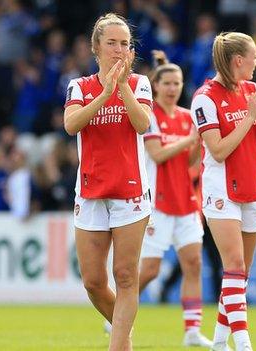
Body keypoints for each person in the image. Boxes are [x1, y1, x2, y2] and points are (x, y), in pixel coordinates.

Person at [63, 13, 152, 351]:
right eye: (112, 43)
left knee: (126, 277)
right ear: (96, 48)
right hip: (90, 191)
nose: (119, 50)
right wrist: (104, 94)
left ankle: (117, 347)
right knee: (93, 282)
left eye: (125, 44)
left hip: (130, 192)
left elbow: (142, 124)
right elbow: (71, 126)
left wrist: (123, 87)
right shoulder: (80, 86)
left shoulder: (140, 83)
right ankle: (124, 336)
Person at [190, 31, 256, 351]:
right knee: (235, 267)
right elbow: (218, 150)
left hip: (253, 187)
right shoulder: (205, 98)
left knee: (239, 276)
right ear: (238, 60)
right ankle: (243, 344)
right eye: (253, 57)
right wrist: (250, 114)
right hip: (221, 190)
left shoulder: (250, 89)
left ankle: (218, 342)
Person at [138, 52, 213, 347]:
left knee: (193, 263)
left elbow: (192, 161)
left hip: (186, 201)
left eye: (177, 83)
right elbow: (157, 154)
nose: (172, 88)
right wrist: (188, 140)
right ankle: (114, 311)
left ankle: (192, 331)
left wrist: (198, 142)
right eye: (167, 83)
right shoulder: (149, 116)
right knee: (149, 271)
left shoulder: (186, 117)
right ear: (155, 86)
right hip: (157, 203)